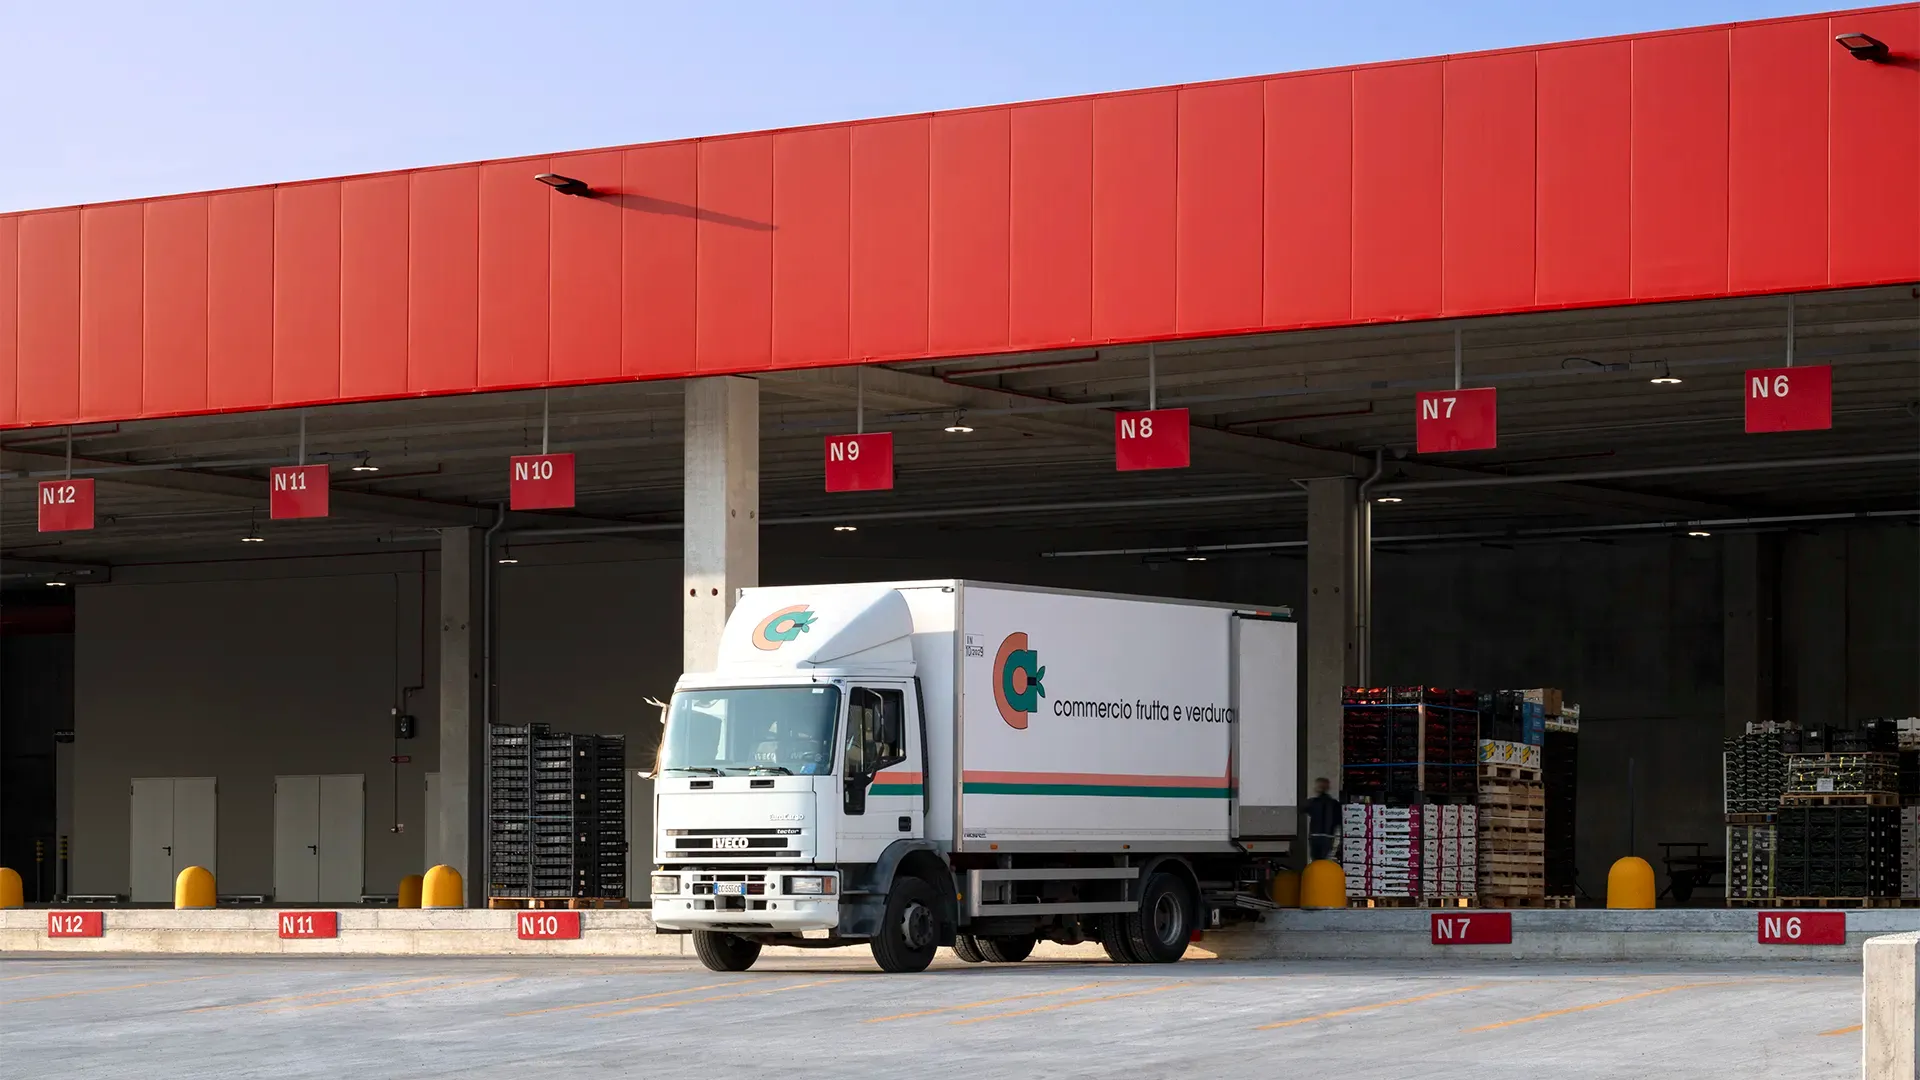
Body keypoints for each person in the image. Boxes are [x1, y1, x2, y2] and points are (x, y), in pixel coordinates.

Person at [1306, 777, 1341, 862]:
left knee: (1315, 860)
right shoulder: (1334, 803)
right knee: (1324, 860)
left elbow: (1303, 809)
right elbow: (1338, 821)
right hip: (1328, 835)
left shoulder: (1313, 802)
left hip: (1315, 834)